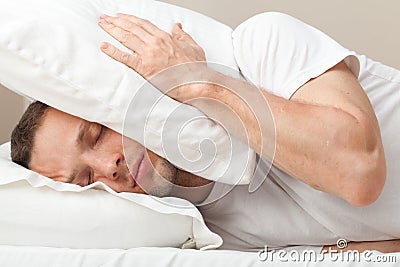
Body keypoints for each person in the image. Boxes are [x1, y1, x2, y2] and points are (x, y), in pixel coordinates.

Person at [10, 12, 400, 253]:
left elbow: (359, 173)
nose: (108, 168)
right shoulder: (211, 232)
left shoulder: (260, 45)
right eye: (86, 179)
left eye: (96, 135)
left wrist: (200, 83)